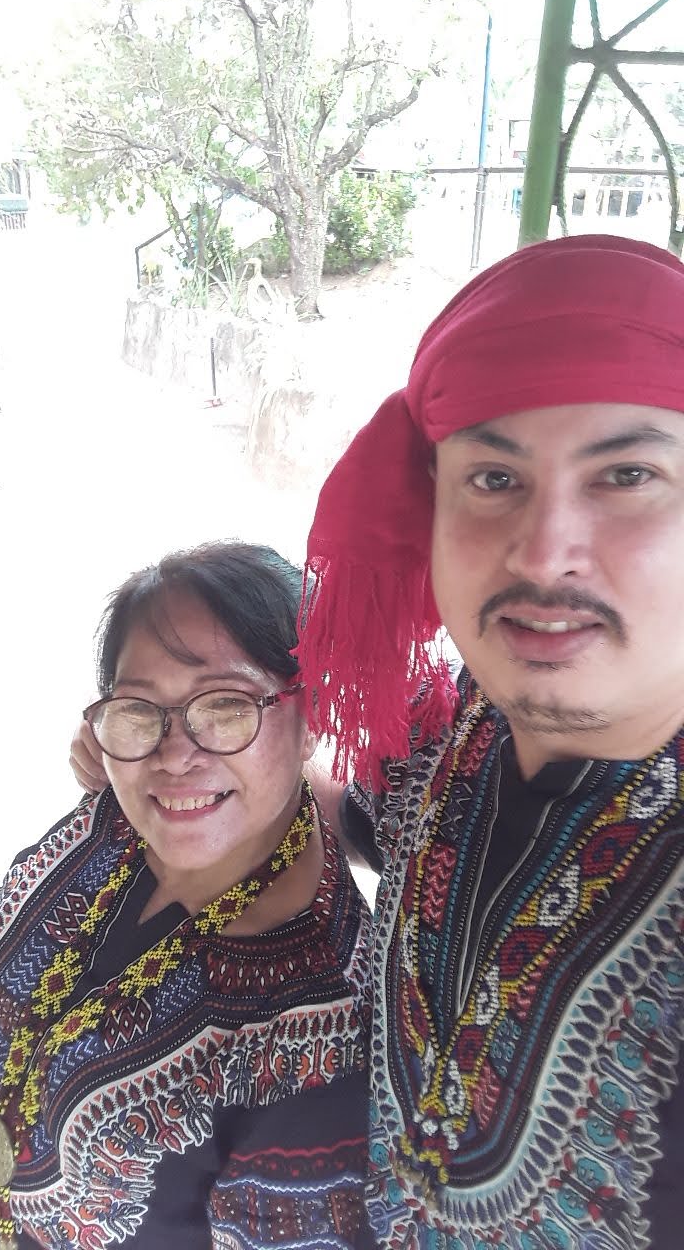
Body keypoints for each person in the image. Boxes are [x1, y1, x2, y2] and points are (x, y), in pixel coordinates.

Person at [292, 235, 684, 1250]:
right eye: (494, 477)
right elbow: (360, 811)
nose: (545, 552)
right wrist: (198, 749)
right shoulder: (466, 723)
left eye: (627, 473)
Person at [0, 541, 372, 1250]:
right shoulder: (116, 816)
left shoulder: (318, 1045)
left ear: (316, 713)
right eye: (140, 708)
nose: (175, 755)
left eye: (226, 706)